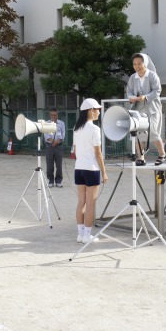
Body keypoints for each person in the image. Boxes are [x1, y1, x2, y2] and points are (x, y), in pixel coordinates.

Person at [73, 98, 108, 244]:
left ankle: (80, 234)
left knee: (81, 201)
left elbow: (75, 150)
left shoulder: (76, 128)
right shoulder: (94, 129)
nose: (99, 112)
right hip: (91, 169)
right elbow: (98, 153)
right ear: (90, 111)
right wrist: (104, 172)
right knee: (90, 203)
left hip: (79, 168)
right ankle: (87, 235)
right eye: (97, 109)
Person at [126, 53, 166, 166]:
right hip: (138, 109)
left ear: (145, 63)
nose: (137, 66)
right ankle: (141, 157)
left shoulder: (152, 75)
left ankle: (162, 154)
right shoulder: (133, 77)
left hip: (152, 108)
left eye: (139, 63)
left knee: (153, 132)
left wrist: (146, 97)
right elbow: (129, 91)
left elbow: (157, 90)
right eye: (134, 64)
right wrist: (131, 98)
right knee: (139, 133)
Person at [44, 108, 65, 188]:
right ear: (50, 115)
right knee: (49, 165)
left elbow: (63, 134)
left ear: (57, 115)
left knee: (59, 165)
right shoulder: (46, 124)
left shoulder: (61, 123)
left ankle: (58, 181)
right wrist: (53, 141)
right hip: (50, 146)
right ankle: (51, 180)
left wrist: (57, 142)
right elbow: (46, 135)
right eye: (52, 115)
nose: (53, 116)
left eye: (55, 115)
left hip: (59, 146)